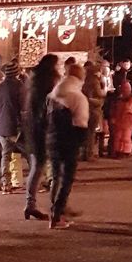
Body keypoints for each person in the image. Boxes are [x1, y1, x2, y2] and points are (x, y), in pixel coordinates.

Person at [46, 62, 89, 229]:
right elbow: (81, 123)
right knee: (66, 178)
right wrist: (81, 143)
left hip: (52, 139)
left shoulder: (54, 94)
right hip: (69, 140)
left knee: (56, 176)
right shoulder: (78, 96)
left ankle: (55, 211)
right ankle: (57, 214)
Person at [22, 53, 61, 220]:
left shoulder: (34, 84)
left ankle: (30, 204)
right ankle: (52, 207)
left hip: (33, 130)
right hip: (42, 131)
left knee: (37, 167)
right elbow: (47, 111)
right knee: (43, 167)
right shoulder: (46, 87)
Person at [0, 61, 25, 192]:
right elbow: (24, 108)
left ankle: (6, 183)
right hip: (17, 127)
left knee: (5, 155)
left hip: (2, 127)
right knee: (30, 154)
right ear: (16, 73)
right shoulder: (20, 87)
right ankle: (37, 183)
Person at [108, 80, 132, 157]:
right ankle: (118, 151)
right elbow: (114, 110)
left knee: (126, 137)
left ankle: (126, 151)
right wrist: (113, 118)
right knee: (118, 137)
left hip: (128, 122)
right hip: (119, 121)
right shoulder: (118, 99)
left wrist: (131, 111)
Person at [80, 61, 104, 160]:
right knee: (91, 133)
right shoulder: (95, 81)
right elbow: (99, 94)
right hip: (93, 109)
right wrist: (103, 92)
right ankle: (89, 154)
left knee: (86, 133)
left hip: (84, 108)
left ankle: (83, 153)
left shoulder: (84, 81)